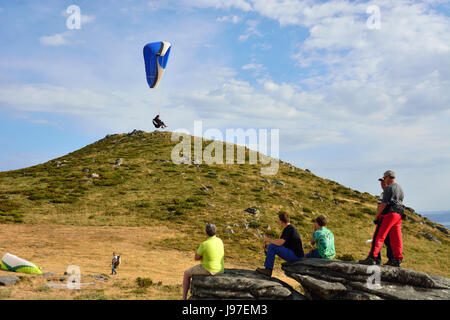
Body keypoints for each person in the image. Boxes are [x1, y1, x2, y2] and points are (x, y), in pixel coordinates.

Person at [359, 170, 405, 267]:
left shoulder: (389, 188)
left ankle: (373, 257)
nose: (384, 180)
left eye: (384, 178)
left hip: (389, 214)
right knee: (396, 237)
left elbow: (383, 204)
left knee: (379, 236)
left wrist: (376, 217)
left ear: (388, 177)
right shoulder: (400, 188)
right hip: (399, 214)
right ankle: (397, 259)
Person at [182, 223, 224, 300]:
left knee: (186, 273)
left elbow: (196, 258)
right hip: (220, 269)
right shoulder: (220, 241)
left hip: (209, 269)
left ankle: (184, 298)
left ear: (206, 233)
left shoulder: (204, 244)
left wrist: (202, 256)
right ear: (215, 232)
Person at [256, 212, 304, 277]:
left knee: (272, 246)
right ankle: (268, 269)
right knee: (271, 246)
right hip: (297, 255)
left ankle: (268, 270)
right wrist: (269, 246)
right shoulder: (291, 228)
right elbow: (282, 243)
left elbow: (280, 243)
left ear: (281, 221)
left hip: (295, 256)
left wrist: (269, 240)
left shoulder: (288, 229)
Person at [370, 178, 394, 265]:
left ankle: (376, 258)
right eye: (381, 183)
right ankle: (389, 259)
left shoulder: (388, 193)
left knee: (379, 239)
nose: (382, 184)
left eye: (384, 182)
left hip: (385, 219)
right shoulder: (383, 193)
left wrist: (377, 218)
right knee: (387, 240)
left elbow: (383, 206)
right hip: (385, 219)